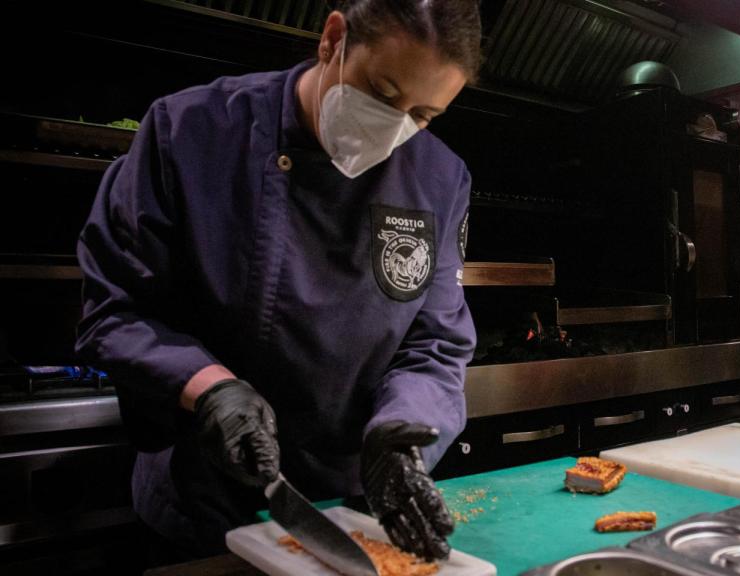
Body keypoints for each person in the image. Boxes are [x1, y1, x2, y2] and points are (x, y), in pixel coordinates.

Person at [75, 0, 480, 562]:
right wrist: (209, 387)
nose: (396, 127)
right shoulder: (189, 131)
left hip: (349, 501)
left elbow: (435, 342)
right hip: (206, 496)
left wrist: (402, 431)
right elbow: (113, 309)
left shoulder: (440, 177)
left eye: (423, 114)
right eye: (384, 93)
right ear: (333, 39)